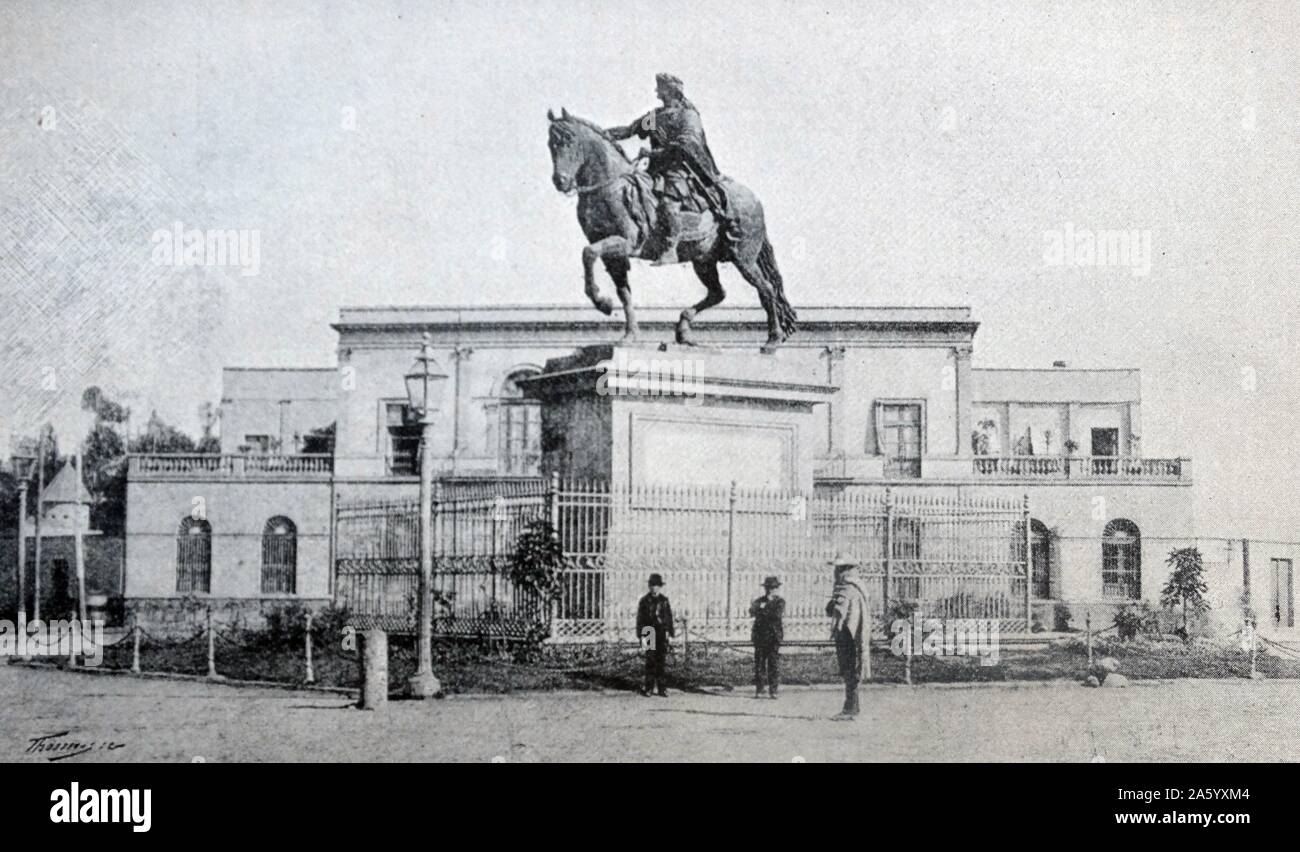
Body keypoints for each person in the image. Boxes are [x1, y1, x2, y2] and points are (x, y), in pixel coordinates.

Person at [606, 73, 722, 265]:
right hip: (656, 170)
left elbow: (685, 145)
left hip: (681, 169)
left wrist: (653, 154)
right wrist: (602, 134)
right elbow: (629, 130)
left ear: (671, 91)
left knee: (668, 202)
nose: (657, 91)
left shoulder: (688, 115)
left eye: (660, 88)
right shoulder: (655, 116)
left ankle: (670, 249)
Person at [825, 553, 870, 720]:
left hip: (847, 634)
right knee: (850, 672)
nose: (835, 572)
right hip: (852, 632)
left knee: (849, 671)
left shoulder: (847, 589)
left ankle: (850, 708)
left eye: (838, 569)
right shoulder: (856, 588)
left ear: (845, 570)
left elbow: (837, 612)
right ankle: (852, 707)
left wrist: (832, 603)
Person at [636, 573, 676, 696]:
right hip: (649, 631)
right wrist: (642, 637)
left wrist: (670, 634)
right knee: (650, 660)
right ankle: (649, 688)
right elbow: (640, 619)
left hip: (661, 632)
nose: (654, 588)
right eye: (652, 585)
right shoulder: (644, 601)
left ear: (660, 587)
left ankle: (662, 688)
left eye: (657, 585)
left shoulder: (664, 601)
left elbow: (669, 618)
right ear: (649, 586)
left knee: (661, 661)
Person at [749, 576, 785, 699]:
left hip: (773, 637)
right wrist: (761, 608)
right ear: (765, 588)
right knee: (759, 664)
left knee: (773, 664)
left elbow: (776, 615)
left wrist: (763, 609)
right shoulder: (760, 600)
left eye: (773, 588)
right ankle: (759, 690)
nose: (771, 590)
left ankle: (773, 690)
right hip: (760, 636)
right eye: (768, 588)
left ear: (777, 589)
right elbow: (752, 612)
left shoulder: (780, 601)